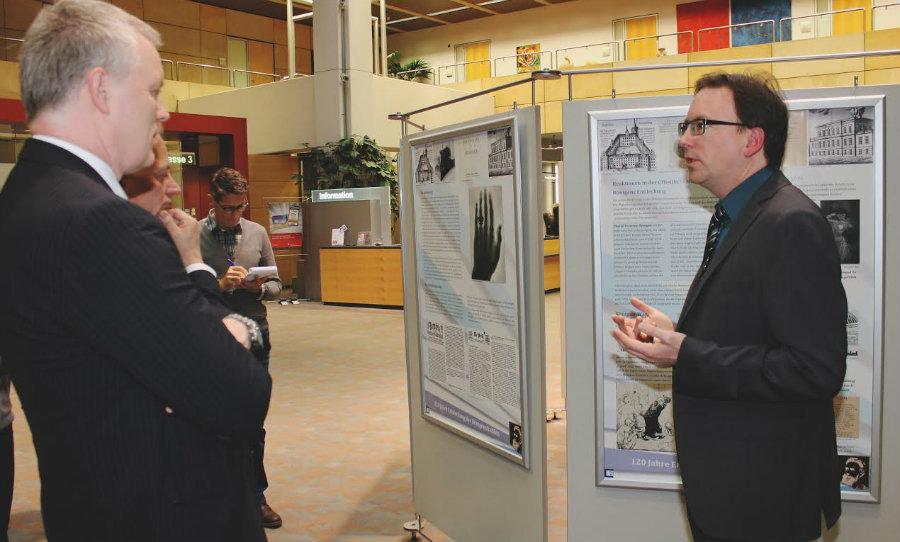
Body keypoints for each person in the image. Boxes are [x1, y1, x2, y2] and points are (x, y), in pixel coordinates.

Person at [0, 1, 271, 540]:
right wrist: (235, 329)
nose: (163, 110)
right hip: (161, 514)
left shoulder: (25, 196)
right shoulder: (102, 223)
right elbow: (240, 396)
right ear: (100, 90)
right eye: (151, 90)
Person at [611, 72, 847, 541]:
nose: (683, 141)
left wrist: (685, 352)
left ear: (752, 139)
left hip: (761, 496)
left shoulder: (791, 222)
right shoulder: (739, 215)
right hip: (729, 485)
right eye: (685, 126)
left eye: (700, 126)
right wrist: (675, 333)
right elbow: (754, 332)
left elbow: (815, 369)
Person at [201, 167, 283, 529]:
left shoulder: (258, 232)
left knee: (253, 422)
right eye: (229, 208)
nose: (236, 215)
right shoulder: (194, 236)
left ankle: (255, 496)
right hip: (211, 337)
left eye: (241, 207)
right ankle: (213, 496)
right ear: (213, 201)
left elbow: (278, 284)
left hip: (255, 335)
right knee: (210, 420)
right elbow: (182, 289)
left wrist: (257, 288)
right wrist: (219, 285)